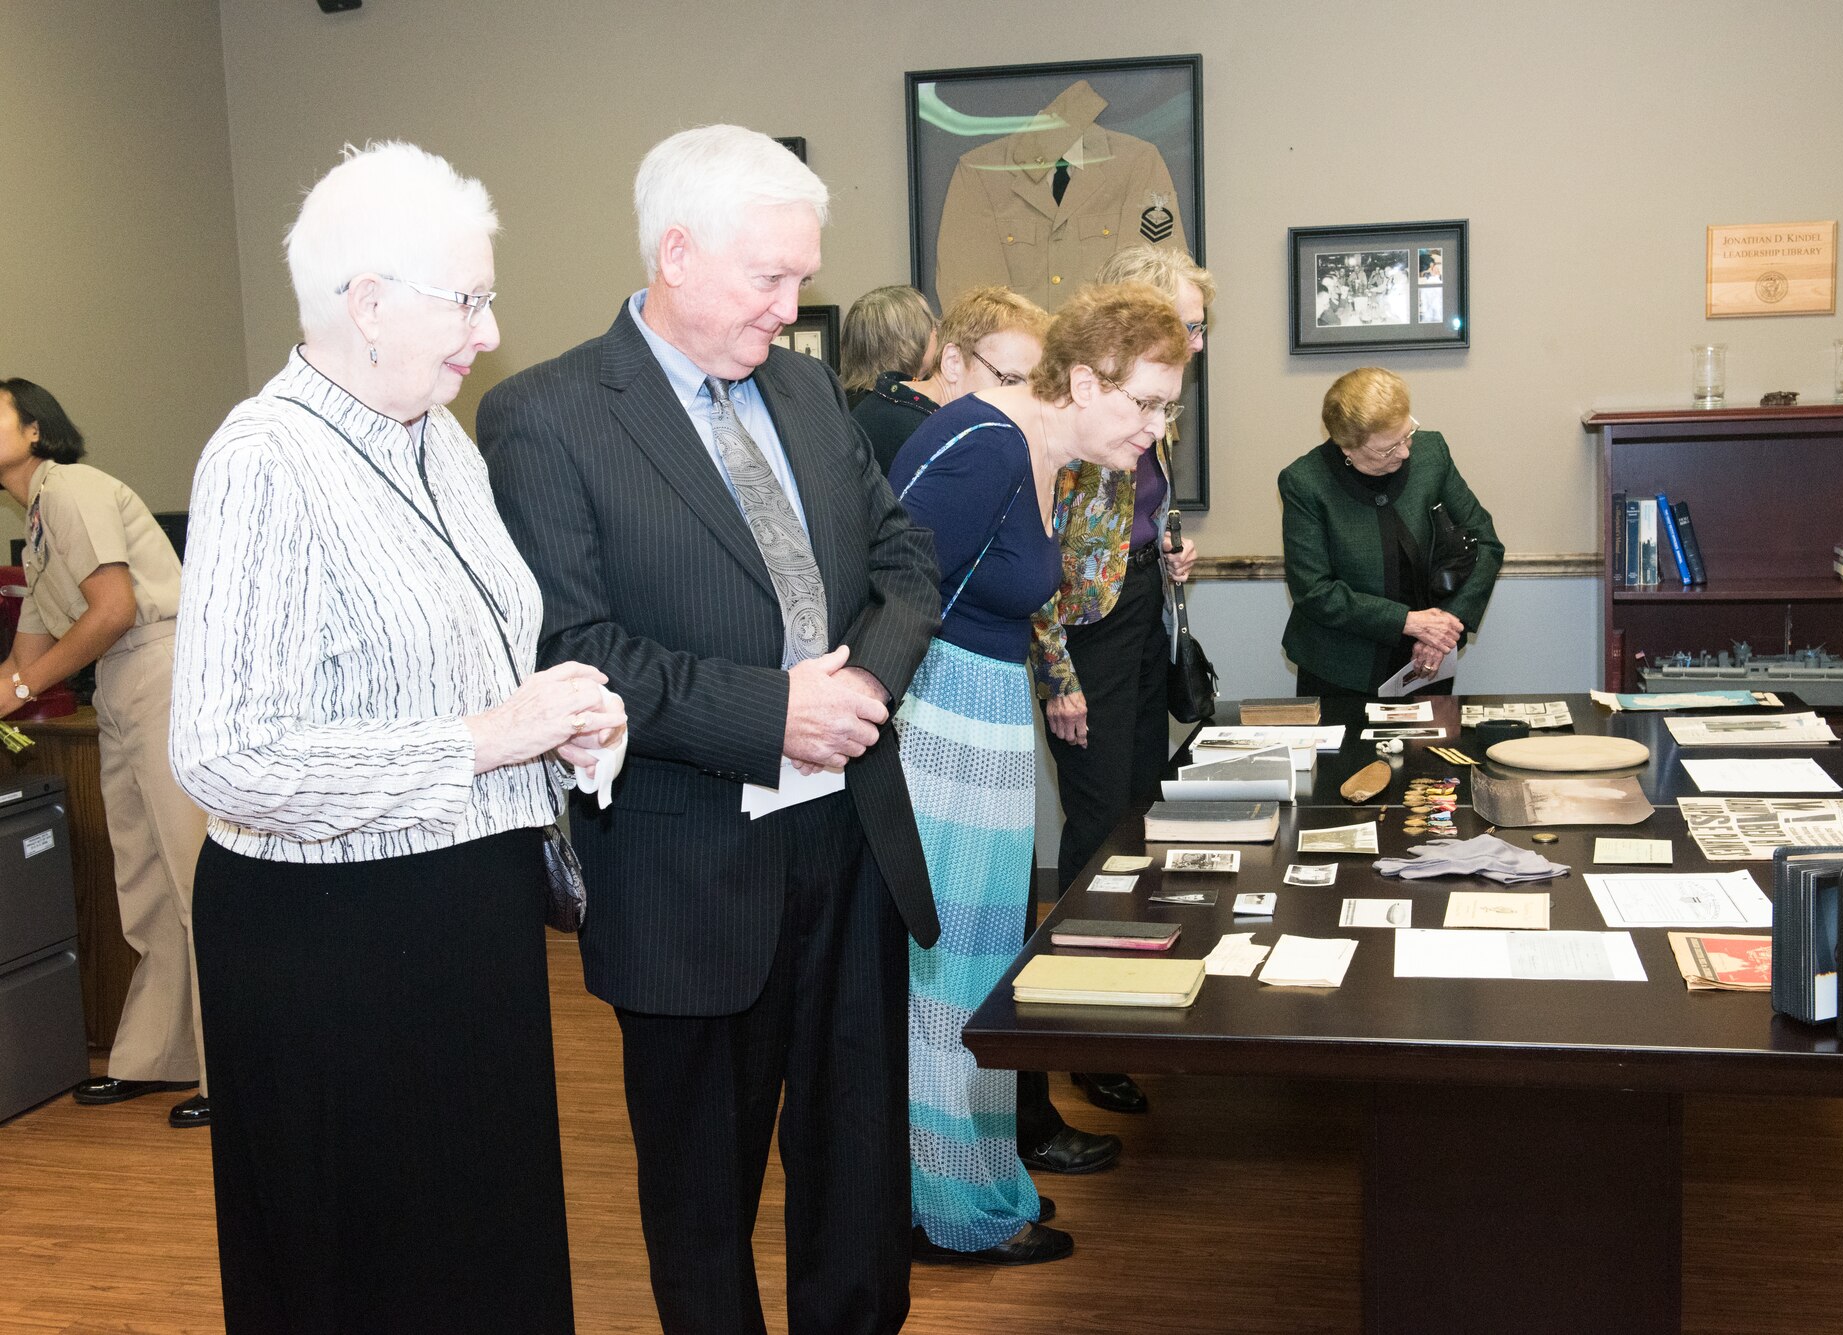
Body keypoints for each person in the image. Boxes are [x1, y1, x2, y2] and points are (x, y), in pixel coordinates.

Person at [478, 124, 942, 1335]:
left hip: (849, 842)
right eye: (770, 280)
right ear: (675, 254)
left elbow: (903, 562)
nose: (792, 313)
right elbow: (571, 647)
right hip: (688, 865)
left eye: (803, 281)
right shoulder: (546, 414)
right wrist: (776, 714)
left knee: (853, 1166)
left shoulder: (797, 385)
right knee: (702, 1192)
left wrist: (858, 697)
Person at [171, 142, 621, 1333]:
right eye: (467, 299)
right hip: (333, 949)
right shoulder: (267, 458)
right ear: (368, 304)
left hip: (461, 915)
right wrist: (483, 739)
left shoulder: (440, 439)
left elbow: (466, 663)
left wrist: (557, 720)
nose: (488, 328)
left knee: (482, 1250)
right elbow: (224, 753)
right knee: (376, 1271)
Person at [892, 282, 1190, 1268]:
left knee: (979, 971)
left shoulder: (1040, 454)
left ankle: (980, 1184)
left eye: (1167, 407)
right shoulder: (984, 446)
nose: (1156, 429)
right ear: (1077, 380)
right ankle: (941, 1210)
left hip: (980, 719)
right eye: (1143, 403)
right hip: (938, 729)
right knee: (944, 983)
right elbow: (880, 589)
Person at [1028, 246, 1208, 1123]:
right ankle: (1083, 1035)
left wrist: (1167, 550)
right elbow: (1032, 565)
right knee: (1097, 827)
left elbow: (1133, 512)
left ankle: (1133, 1003)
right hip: (1082, 637)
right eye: (1184, 323)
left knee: (1142, 807)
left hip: (1138, 608)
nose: (1193, 342)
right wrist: (1057, 675)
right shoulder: (1072, 420)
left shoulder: (1150, 413)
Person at [0, 379, 210, 1128]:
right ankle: (163, 1055)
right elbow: (24, 654)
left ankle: (233, 1066)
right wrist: (12, 686)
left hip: (161, 663)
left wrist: (20, 682)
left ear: (34, 430)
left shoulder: (72, 489)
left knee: (193, 875)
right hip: (121, 681)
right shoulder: (35, 531)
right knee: (145, 877)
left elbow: (114, 607)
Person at [1278, 366, 1503, 699]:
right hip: (1340, 669)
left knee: (1429, 752)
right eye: (1387, 448)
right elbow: (1314, 591)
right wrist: (1407, 622)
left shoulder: (1432, 454)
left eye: (1407, 434)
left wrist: (1444, 628)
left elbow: (1485, 543)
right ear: (1347, 447)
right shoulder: (1306, 482)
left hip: (1427, 661)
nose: (1404, 452)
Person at [851, 285, 1049, 477]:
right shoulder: (934, 440)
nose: (1024, 400)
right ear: (953, 361)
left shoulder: (889, 399)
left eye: (1032, 386)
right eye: (1010, 380)